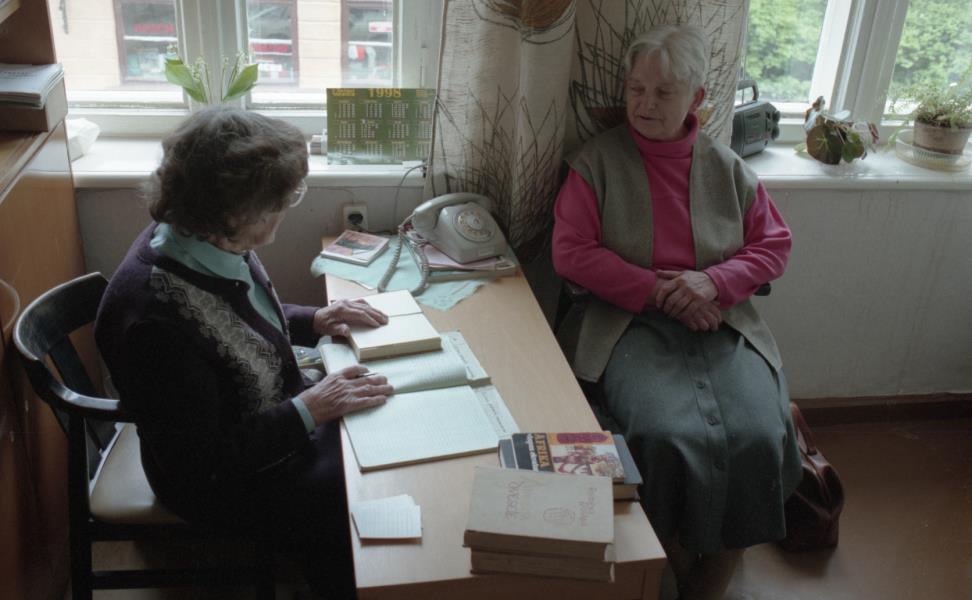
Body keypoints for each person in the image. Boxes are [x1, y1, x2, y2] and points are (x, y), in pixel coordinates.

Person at [95, 107, 394, 598]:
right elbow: (200, 463)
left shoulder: (201, 239)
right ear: (234, 212)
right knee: (361, 491)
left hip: (265, 422)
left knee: (375, 443)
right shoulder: (154, 322)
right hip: (217, 483)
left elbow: (234, 320)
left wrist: (313, 319)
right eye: (280, 202)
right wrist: (309, 408)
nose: (285, 210)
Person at [552, 25, 802, 600]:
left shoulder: (726, 167)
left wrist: (712, 282)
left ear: (697, 98)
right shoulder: (595, 163)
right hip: (627, 324)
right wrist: (661, 291)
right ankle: (672, 567)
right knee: (667, 434)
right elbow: (571, 253)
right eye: (636, 89)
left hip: (721, 322)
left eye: (663, 92)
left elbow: (773, 245)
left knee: (760, 432)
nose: (644, 104)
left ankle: (708, 579)